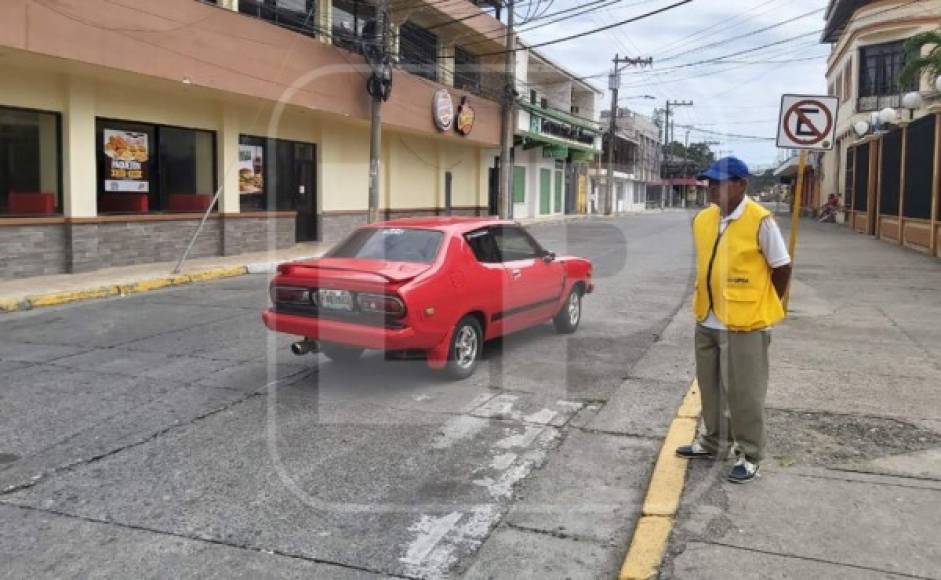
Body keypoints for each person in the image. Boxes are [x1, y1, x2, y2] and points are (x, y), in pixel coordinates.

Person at [676, 156, 792, 483]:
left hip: (745, 325)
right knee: (710, 389)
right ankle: (713, 442)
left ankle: (750, 453)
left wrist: (763, 305)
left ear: (741, 185)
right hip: (707, 318)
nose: (712, 187)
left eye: (720, 182)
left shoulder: (760, 220)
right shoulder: (703, 219)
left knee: (745, 393)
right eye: (709, 182)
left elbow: (781, 267)